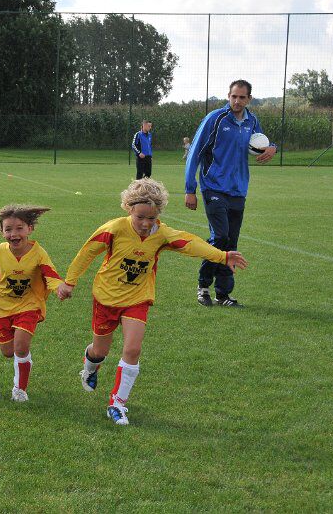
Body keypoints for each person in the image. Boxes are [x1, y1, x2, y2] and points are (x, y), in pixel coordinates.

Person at [57, 179, 248, 425]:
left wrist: (222, 256)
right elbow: (87, 252)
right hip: (106, 298)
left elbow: (190, 243)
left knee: (133, 350)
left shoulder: (161, 234)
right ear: (129, 209)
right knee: (99, 351)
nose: (146, 224)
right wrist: (70, 282)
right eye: (140, 217)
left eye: (152, 218)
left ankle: (117, 404)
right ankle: (90, 367)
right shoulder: (114, 229)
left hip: (138, 298)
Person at [184, 79, 275, 308]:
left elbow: (262, 141)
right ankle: (203, 286)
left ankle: (223, 294)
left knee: (231, 242)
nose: (237, 101)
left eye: (242, 97)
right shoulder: (215, 119)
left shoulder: (252, 121)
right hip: (213, 186)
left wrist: (272, 147)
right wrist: (189, 189)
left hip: (238, 189)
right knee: (220, 236)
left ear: (249, 99)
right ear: (228, 96)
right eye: (234, 96)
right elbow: (195, 152)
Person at [0, 205, 63, 402]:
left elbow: (51, 274)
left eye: (19, 228)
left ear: (30, 229)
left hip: (29, 305)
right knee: (8, 352)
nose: (14, 234)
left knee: (21, 347)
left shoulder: (39, 253)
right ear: (2, 232)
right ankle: (21, 367)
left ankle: (19, 389)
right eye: (8, 229)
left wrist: (59, 288)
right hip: (1, 306)